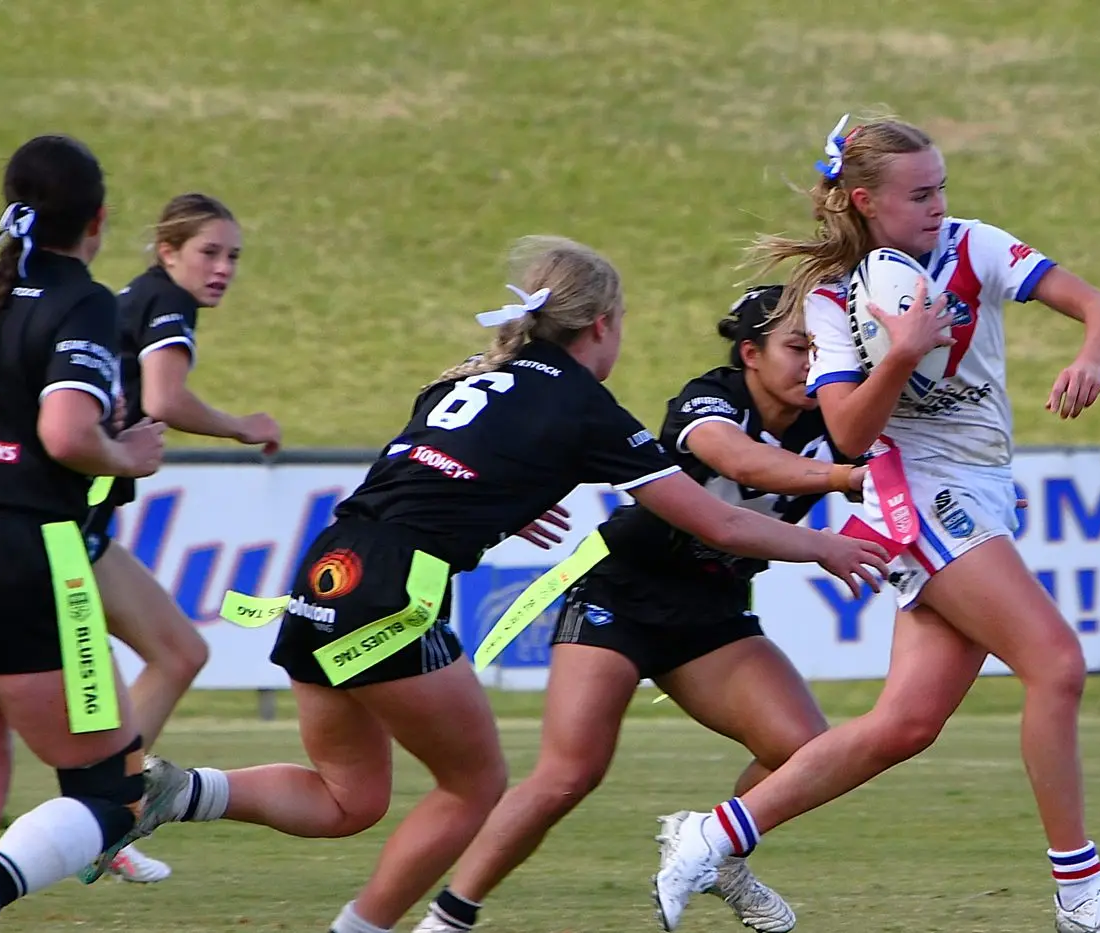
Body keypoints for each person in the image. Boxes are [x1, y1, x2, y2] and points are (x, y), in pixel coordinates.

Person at [115, 237, 889, 933]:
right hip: (416, 592)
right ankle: (421, 923)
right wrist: (827, 540)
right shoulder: (610, 404)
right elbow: (722, 514)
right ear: (601, 326)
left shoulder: (474, 373)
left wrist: (496, 507)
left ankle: (177, 792)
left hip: (329, 570)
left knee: (350, 799)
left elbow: (430, 461)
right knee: (480, 780)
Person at [652, 115, 1100, 933]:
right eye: (920, 193)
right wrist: (902, 348)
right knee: (1058, 663)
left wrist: (1091, 357)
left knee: (905, 724)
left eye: (942, 188)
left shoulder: (976, 246)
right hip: (916, 492)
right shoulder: (829, 301)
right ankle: (1082, 896)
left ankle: (712, 833)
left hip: (981, 486)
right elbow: (850, 436)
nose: (939, 205)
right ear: (865, 200)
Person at [410, 284, 861, 933]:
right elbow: (739, 460)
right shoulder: (711, 397)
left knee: (804, 749)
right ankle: (448, 919)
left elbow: (893, 475)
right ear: (750, 353)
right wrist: (846, 483)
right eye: (797, 347)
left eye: (823, 350)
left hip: (713, 609)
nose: (813, 363)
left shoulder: (831, 420)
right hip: (622, 590)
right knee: (569, 773)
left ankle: (717, 849)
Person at [0, 134, 167, 925]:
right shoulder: (83, 297)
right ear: (99, 219)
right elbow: (64, 432)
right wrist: (127, 452)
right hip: (25, 553)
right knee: (112, 794)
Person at [77, 193, 282, 885]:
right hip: (65, 523)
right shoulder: (168, 301)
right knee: (63, 688)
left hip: (76, 518)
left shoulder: (133, 295)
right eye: (209, 252)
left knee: (178, 650)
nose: (223, 268)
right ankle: (97, 817)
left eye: (233, 257)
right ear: (167, 251)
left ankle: (103, 815)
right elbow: (164, 398)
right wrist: (241, 424)